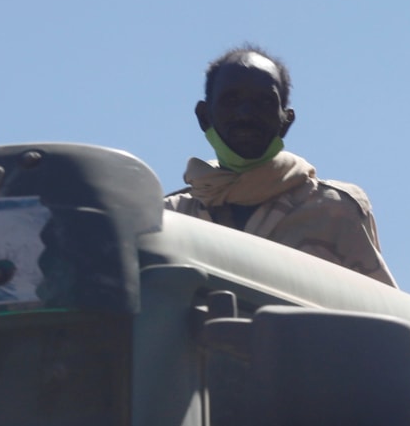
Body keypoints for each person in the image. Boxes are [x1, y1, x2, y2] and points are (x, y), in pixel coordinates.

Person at [164, 45, 395, 287]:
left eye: (263, 102)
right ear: (204, 116)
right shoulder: (170, 217)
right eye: (231, 100)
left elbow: (383, 312)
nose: (245, 115)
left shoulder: (335, 210)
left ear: (286, 121)